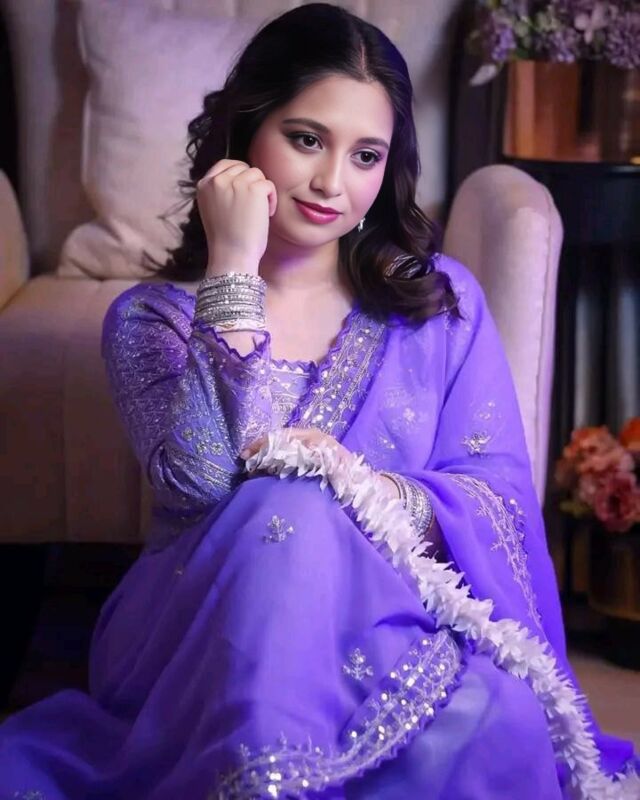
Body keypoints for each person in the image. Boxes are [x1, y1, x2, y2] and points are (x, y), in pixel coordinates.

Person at [0, 3, 638, 799]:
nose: (334, 183)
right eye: (306, 139)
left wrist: (360, 485)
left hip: (398, 622)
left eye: (366, 155)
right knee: (286, 504)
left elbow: (495, 494)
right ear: (247, 132)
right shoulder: (150, 320)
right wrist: (234, 269)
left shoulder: (436, 307)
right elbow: (197, 484)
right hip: (208, 638)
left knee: (501, 725)